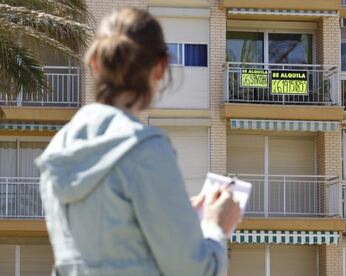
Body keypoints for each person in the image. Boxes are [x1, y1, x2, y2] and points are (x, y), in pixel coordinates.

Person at [35, 7, 241, 276]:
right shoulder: (145, 150)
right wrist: (216, 226)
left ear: (95, 64)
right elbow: (194, 269)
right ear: (161, 67)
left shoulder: (57, 152)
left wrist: (175, 213)